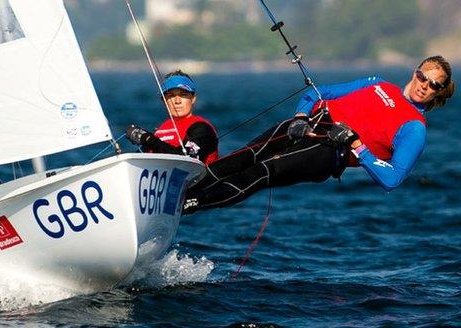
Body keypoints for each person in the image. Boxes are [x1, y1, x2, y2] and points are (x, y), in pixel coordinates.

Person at [183, 55, 454, 214]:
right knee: (241, 158)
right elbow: (318, 92)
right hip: (308, 124)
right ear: (415, 72)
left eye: (433, 85)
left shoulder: (414, 128)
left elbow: (392, 179)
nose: (424, 86)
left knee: (261, 172)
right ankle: (179, 189)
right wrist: (301, 116)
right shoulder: (378, 84)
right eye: (423, 77)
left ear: (438, 92)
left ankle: (190, 203)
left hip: (329, 151)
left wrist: (357, 145)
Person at [125, 70, 219, 164]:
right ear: (164, 101)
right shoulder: (160, 130)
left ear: (193, 99)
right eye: (171, 95)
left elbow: (187, 159)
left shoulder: (202, 128)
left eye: (183, 95)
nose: (177, 101)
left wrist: (146, 139)